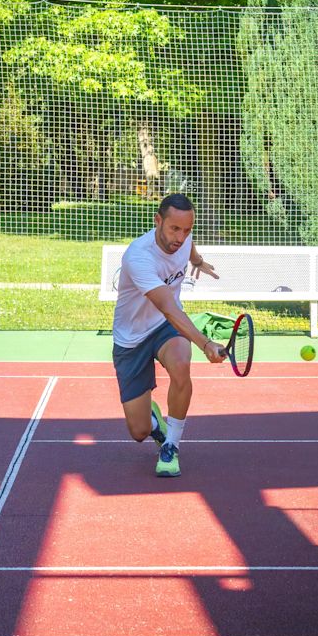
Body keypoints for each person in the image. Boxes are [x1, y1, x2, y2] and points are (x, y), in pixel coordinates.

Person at [112, 193, 225, 478]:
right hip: (133, 336)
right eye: (174, 229)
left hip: (165, 326)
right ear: (158, 221)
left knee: (181, 365)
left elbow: (189, 248)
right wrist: (205, 343)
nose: (180, 237)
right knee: (138, 431)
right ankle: (153, 423)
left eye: (187, 230)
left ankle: (171, 445)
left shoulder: (183, 240)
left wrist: (198, 262)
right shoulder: (139, 256)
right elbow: (168, 306)